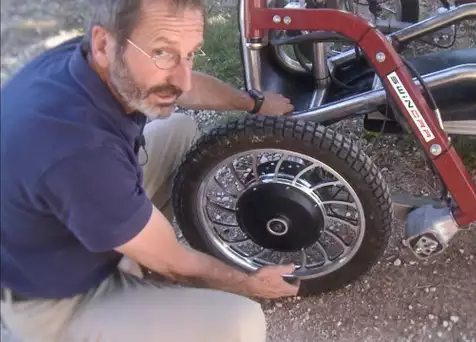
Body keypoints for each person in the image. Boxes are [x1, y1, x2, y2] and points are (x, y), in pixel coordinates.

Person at [0, 0, 300, 341]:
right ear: (103, 45)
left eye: (189, 54)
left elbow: (192, 89)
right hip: (55, 299)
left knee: (177, 131)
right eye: (163, 53)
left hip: (65, 224)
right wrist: (249, 282)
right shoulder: (78, 151)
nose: (183, 80)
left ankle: (137, 258)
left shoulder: (92, 59)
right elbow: (174, 261)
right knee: (241, 323)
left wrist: (254, 103)